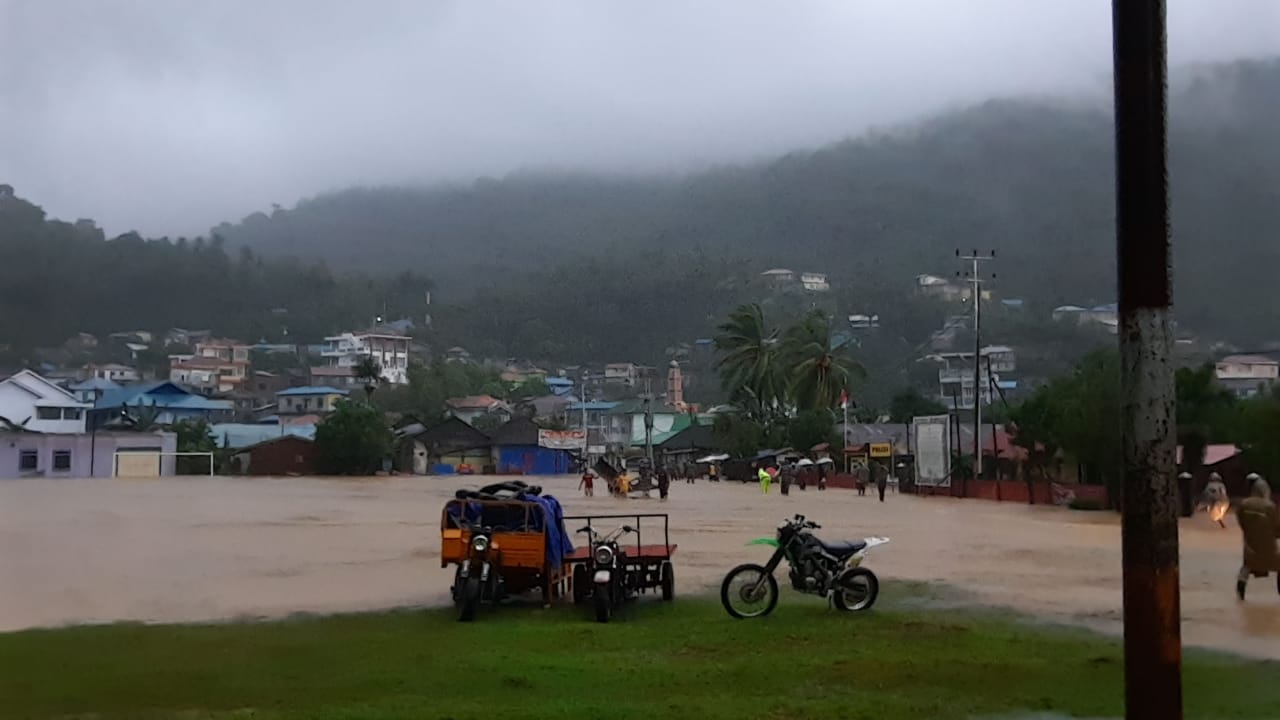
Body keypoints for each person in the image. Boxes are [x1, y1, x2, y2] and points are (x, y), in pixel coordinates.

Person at [1236, 473, 1279, 601]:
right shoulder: (1269, 506)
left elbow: (1241, 520)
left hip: (1251, 542)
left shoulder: (1244, 504)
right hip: (1268, 544)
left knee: (1247, 566)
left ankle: (1241, 592)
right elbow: (1275, 525)